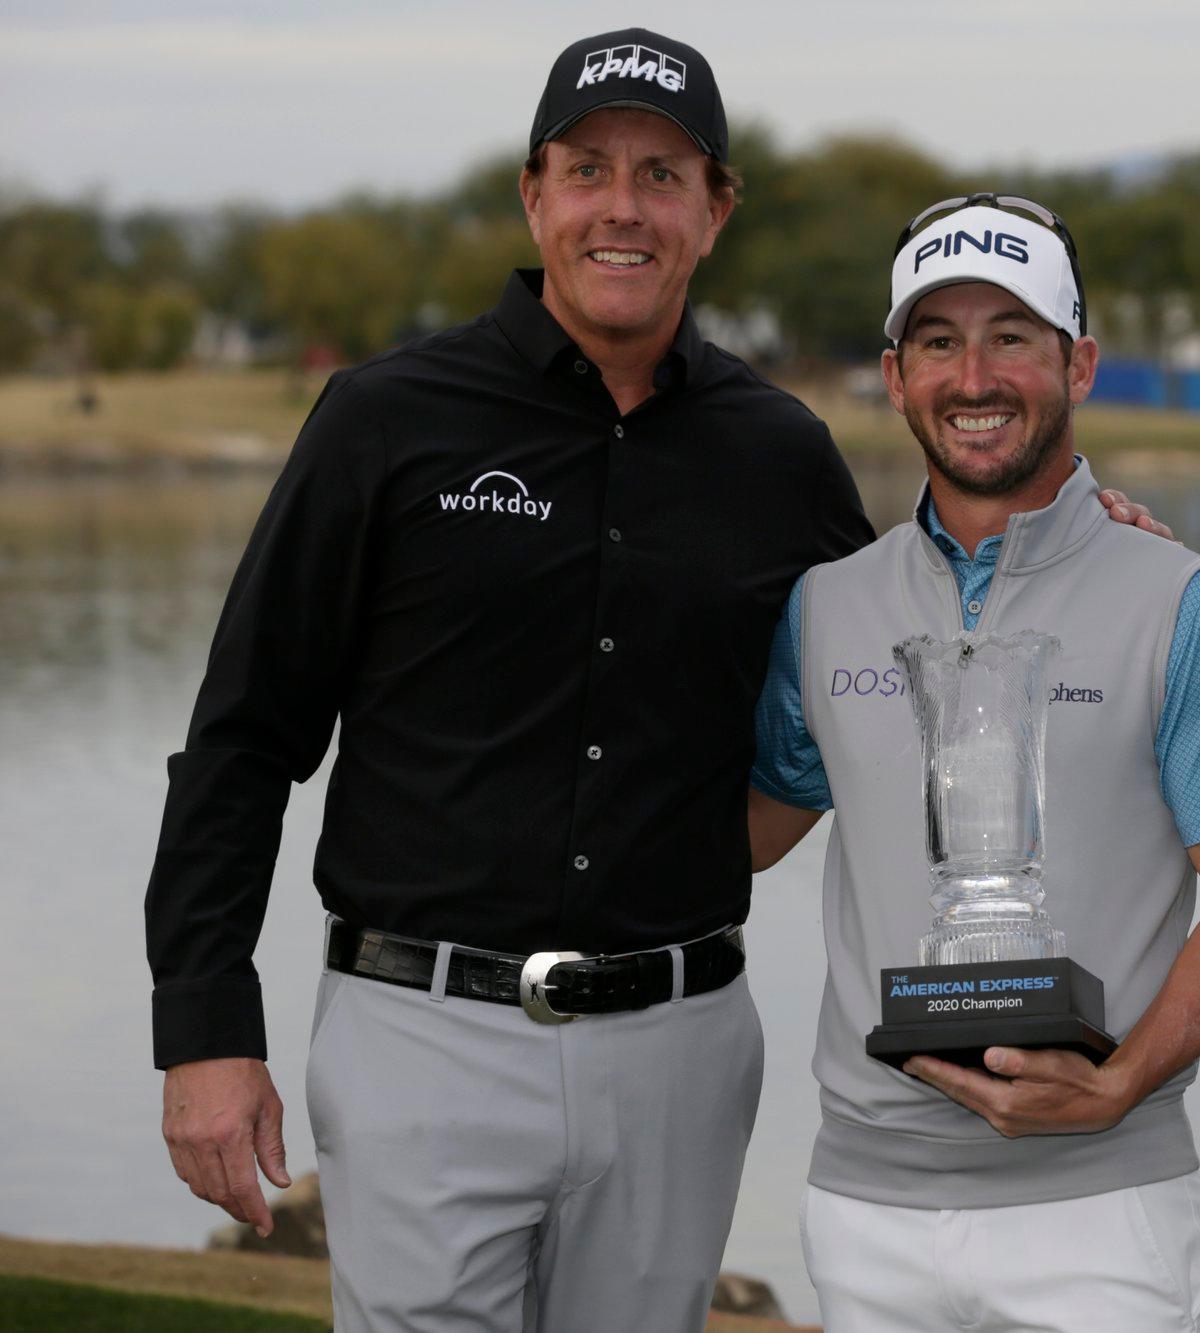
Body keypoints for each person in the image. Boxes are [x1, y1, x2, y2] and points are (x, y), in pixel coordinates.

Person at [143, 29, 878, 1329]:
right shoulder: (385, 420)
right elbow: (247, 735)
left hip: (681, 1046)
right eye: (588, 168)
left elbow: (895, 678)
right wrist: (206, 1025)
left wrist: (1072, 545)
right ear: (534, 193)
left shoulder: (783, 455)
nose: (623, 207)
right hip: (420, 1035)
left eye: (663, 175)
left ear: (715, 212)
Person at [744, 196, 1200, 1332]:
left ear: (1078, 362)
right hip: (866, 1205)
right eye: (937, 341)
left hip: (1103, 1207)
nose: (973, 375)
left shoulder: (1182, 602)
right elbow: (737, 841)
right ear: (894, 376)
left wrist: (1119, 1079)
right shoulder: (826, 603)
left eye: (1012, 337)